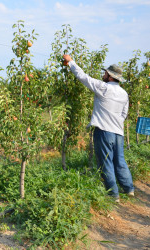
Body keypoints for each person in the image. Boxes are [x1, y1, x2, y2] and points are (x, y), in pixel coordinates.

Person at [63, 54, 134, 202]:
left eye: (105, 73)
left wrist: (70, 62)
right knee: (119, 161)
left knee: (105, 161)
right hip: (118, 132)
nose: (103, 74)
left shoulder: (103, 88)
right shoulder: (124, 94)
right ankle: (129, 189)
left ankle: (113, 194)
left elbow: (83, 77)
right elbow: (124, 113)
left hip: (104, 131)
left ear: (110, 76)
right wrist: (116, 122)